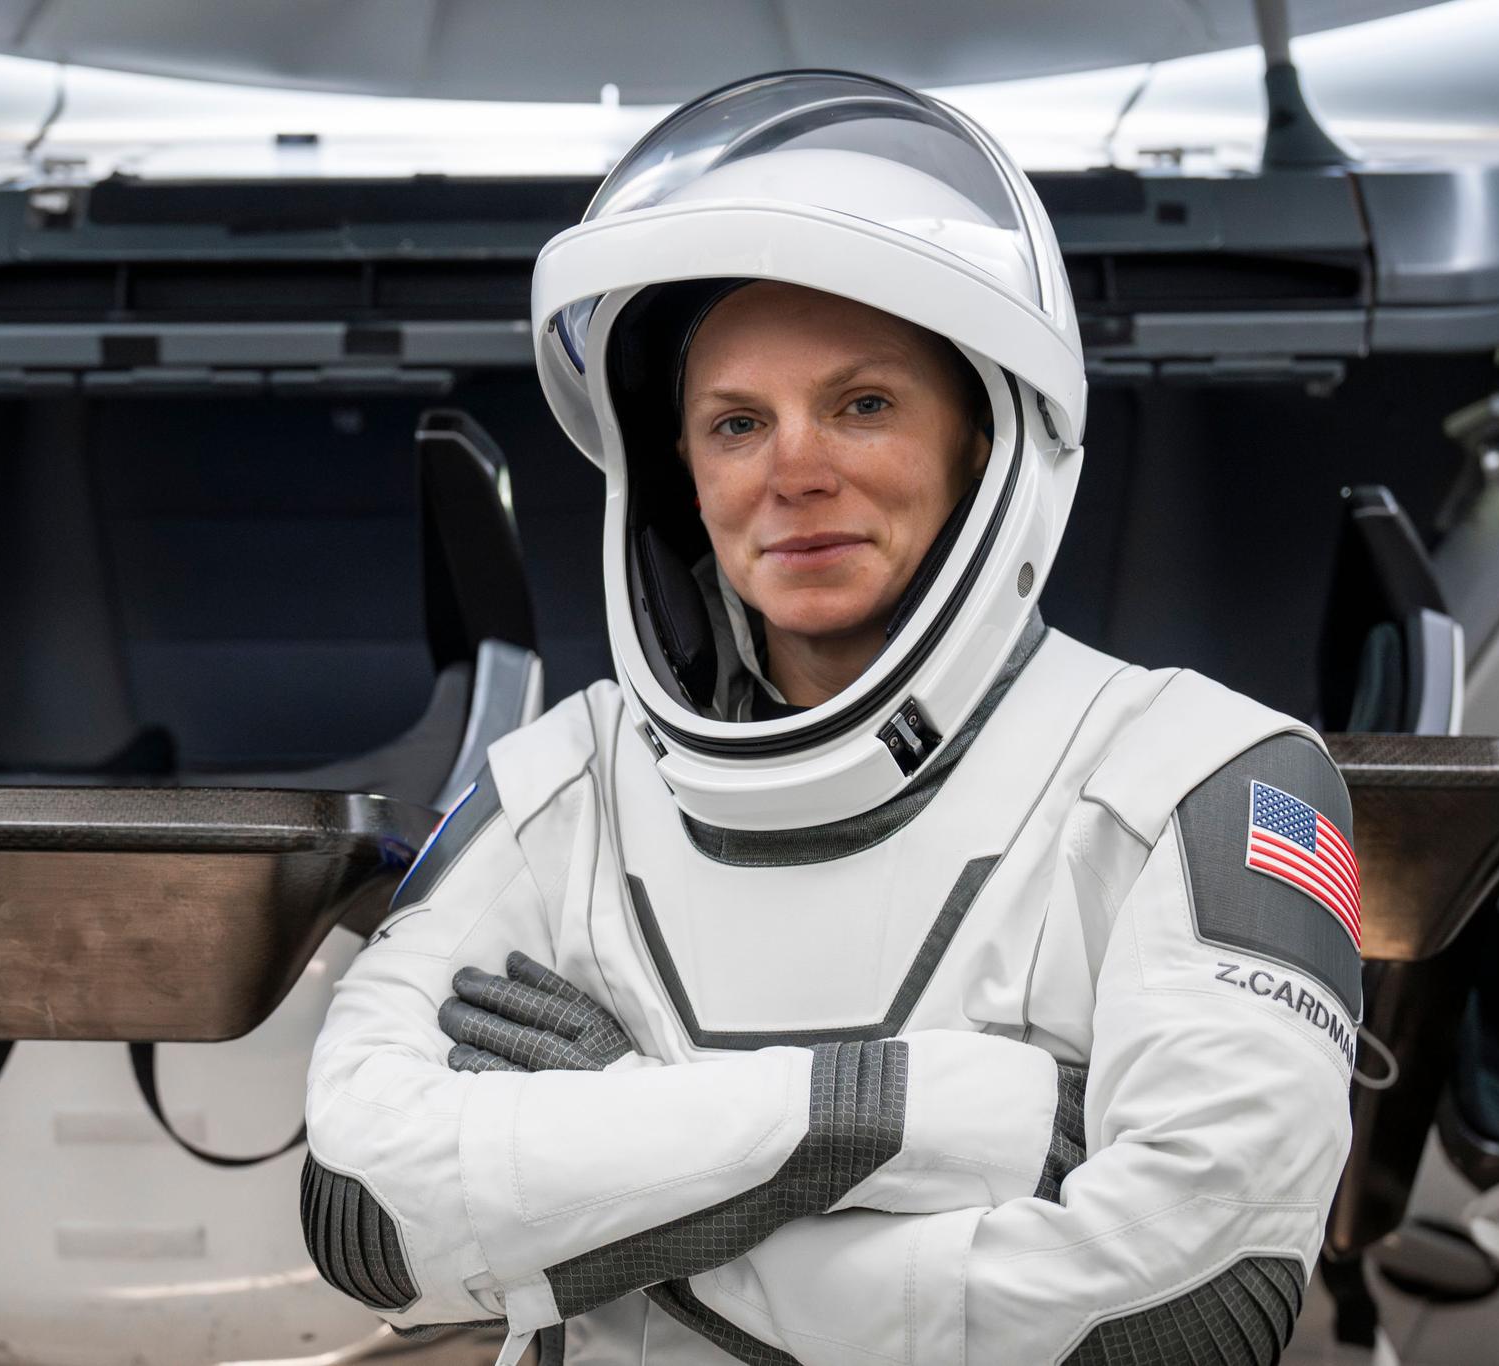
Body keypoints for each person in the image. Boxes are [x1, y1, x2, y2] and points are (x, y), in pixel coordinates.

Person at [302, 71, 1361, 1366]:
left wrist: (616, 1188)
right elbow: (365, 1206)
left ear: (988, 440)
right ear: (678, 474)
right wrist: (922, 1115)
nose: (794, 468)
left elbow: (1181, 1309)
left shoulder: (1209, 778)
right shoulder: (555, 787)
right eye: (736, 422)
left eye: (863, 402)